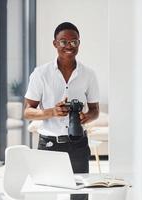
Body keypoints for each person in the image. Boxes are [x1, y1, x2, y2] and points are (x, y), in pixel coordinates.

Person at [23, 22, 99, 200]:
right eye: (63, 42)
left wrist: (86, 117)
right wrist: (52, 112)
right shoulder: (40, 74)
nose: (69, 46)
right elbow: (27, 112)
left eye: (74, 42)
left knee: (80, 195)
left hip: (79, 144)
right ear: (55, 43)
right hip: (50, 145)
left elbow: (95, 110)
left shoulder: (89, 74)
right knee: (46, 194)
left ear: (79, 43)